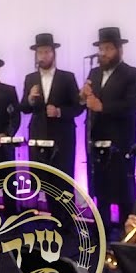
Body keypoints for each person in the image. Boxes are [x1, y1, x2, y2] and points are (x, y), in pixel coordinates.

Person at [81, 27, 136, 239]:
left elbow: (131, 104)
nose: (103, 53)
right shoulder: (94, 73)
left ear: (119, 50)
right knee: (100, 190)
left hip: (120, 141)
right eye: (101, 49)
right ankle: (102, 231)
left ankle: (127, 235)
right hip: (96, 140)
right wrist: (83, 97)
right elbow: (86, 103)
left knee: (123, 191)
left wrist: (102, 107)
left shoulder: (133, 74)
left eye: (108, 48)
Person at [20, 32, 83, 181]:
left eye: (47, 52)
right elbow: (24, 108)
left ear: (53, 53)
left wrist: (59, 112)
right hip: (38, 135)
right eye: (40, 52)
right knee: (41, 180)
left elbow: (78, 107)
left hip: (62, 137)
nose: (43, 56)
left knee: (62, 180)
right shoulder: (30, 78)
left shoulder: (67, 77)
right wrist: (30, 99)